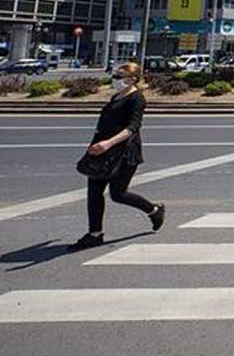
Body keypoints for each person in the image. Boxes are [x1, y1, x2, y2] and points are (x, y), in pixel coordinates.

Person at [69, 62, 165, 251]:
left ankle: (154, 210)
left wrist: (109, 143)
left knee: (118, 194)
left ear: (132, 79)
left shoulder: (136, 98)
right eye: (115, 76)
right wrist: (96, 145)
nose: (115, 80)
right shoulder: (116, 96)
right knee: (94, 192)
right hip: (102, 151)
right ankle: (95, 234)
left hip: (124, 152)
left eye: (119, 77)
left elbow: (133, 127)